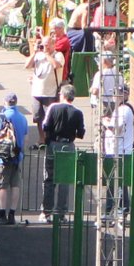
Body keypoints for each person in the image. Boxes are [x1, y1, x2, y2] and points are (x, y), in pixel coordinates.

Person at [40, 83, 86, 222]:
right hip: (68, 146)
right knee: (65, 180)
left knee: (49, 177)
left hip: (53, 144)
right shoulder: (78, 112)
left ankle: (46, 212)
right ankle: (61, 213)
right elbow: (81, 133)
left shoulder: (53, 107)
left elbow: (45, 125)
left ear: (63, 95)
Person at [0, 93, 28, 225]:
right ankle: (12, 213)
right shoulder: (23, 118)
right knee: (15, 184)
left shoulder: (2, 117)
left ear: (5, 102)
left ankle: (2, 213)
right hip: (16, 156)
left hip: (2, 156)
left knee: (2, 185)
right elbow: (24, 139)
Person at [100, 88, 134, 219]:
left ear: (125, 95)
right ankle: (122, 209)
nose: (114, 95)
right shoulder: (121, 109)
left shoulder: (124, 109)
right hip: (117, 150)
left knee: (115, 182)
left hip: (119, 151)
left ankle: (115, 210)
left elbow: (117, 128)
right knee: (118, 181)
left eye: (117, 93)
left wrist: (105, 122)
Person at [25, 35, 65, 144]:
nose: (45, 47)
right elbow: (27, 65)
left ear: (53, 45)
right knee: (38, 117)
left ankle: (50, 138)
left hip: (50, 92)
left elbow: (56, 65)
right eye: (43, 45)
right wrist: (34, 52)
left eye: (47, 45)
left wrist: (47, 54)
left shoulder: (58, 55)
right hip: (37, 91)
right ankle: (41, 138)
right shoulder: (38, 55)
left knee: (50, 117)